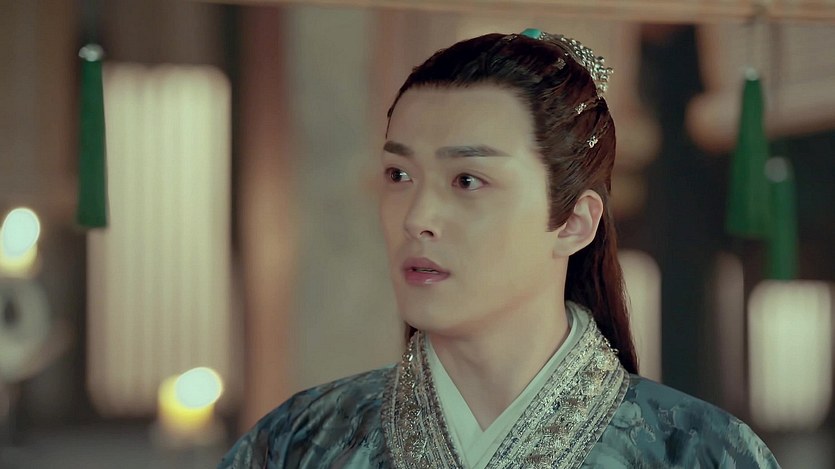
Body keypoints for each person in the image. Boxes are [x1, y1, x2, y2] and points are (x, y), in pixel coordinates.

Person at [219, 29, 780, 468]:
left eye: (467, 180)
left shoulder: (700, 453)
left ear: (574, 223)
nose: (417, 219)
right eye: (398, 175)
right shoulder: (299, 442)